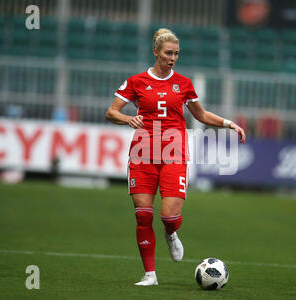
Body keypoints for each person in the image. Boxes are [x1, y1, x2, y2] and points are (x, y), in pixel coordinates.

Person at [105, 28, 246, 286]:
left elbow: (201, 115)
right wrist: (128, 118)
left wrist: (228, 123)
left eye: (176, 54)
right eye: (168, 53)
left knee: (169, 216)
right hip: (143, 153)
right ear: (155, 52)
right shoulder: (136, 82)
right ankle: (150, 275)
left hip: (174, 153)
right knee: (143, 215)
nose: (172, 58)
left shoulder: (183, 83)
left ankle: (171, 233)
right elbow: (111, 112)